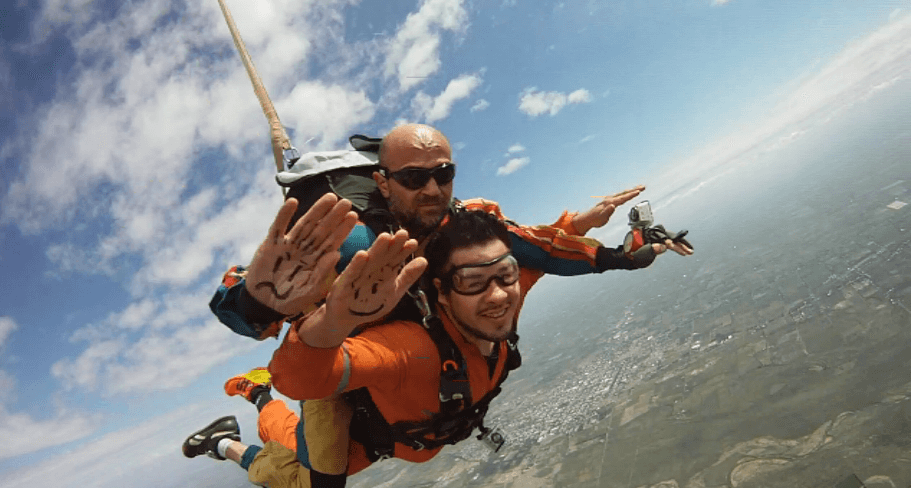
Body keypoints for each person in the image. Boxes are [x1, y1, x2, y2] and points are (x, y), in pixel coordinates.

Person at [184, 207, 545, 488]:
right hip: (327, 368)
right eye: (473, 281)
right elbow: (295, 373)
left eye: (505, 275)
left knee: (315, 453)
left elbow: (543, 255)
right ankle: (237, 423)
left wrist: (589, 237)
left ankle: (258, 397)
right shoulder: (407, 345)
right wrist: (320, 320)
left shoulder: (489, 301)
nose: (497, 295)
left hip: (382, 420)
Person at [210, 123, 693, 341]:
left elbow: (538, 250)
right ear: (382, 182)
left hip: (438, 330)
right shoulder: (347, 236)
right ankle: (247, 410)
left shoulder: (466, 219)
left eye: (444, 173)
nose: (433, 188)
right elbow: (239, 299)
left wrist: (625, 256)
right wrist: (260, 303)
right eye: (414, 178)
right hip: (362, 342)